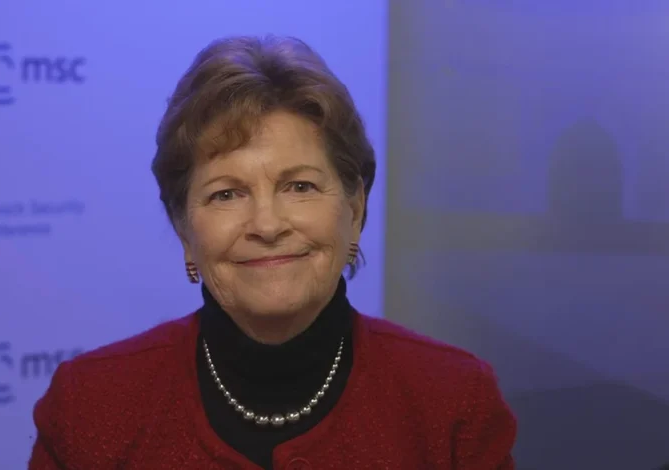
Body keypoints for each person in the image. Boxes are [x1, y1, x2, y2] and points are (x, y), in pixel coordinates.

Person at [28, 35, 517, 469]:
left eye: (300, 186)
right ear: (183, 229)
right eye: (226, 194)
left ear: (355, 209)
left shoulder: (454, 402)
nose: (266, 225)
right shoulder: (87, 407)